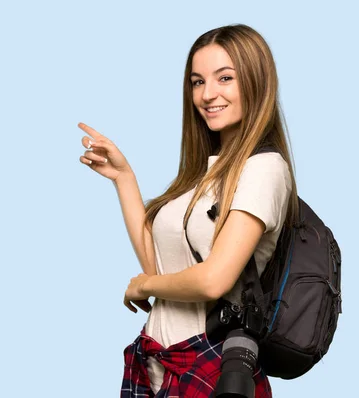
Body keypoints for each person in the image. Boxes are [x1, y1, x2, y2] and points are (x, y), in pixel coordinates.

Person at [78, 24, 298, 398]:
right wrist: (123, 178)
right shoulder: (204, 173)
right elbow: (160, 266)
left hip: (209, 366)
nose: (207, 94)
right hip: (157, 365)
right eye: (197, 82)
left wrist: (143, 285)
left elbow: (214, 280)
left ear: (256, 82)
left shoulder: (264, 168)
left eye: (224, 78)